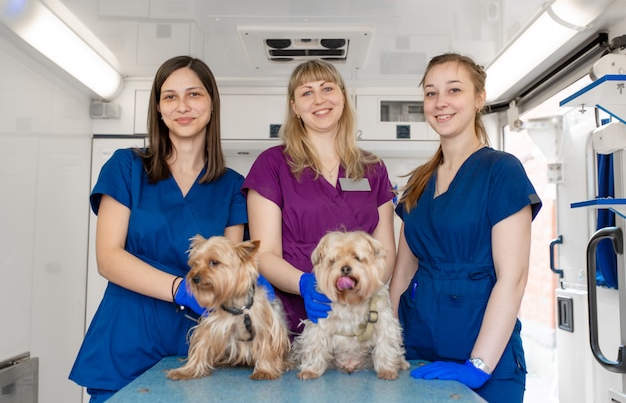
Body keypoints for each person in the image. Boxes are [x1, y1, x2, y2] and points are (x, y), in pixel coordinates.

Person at [69, 55, 248, 402]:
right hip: (127, 339)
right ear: (159, 109)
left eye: (194, 94)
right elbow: (108, 258)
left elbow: (230, 272)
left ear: (212, 104)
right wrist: (181, 288)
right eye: (170, 96)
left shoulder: (232, 188)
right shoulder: (127, 167)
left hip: (200, 346)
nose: (183, 106)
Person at [388, 53, 542, 403]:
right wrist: (387, 346)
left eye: (453, 90)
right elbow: (401, 275)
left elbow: (512, 278)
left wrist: (479, 365)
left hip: (487, 359)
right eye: (430, 93)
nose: (440, 102)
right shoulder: (417, 185)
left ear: (479, 98)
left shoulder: (501, 171)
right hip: (417, 354)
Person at [243, 59, 397, 335]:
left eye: (327, 88)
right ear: (294, 107)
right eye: (306, 92)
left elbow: (384, 251)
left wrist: (362, 292)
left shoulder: (372, 168)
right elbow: (264, 254)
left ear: (342, 97)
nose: (319, 100)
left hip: (358, 318)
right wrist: (306, 283)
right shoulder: (271, 165)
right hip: (294, 313)